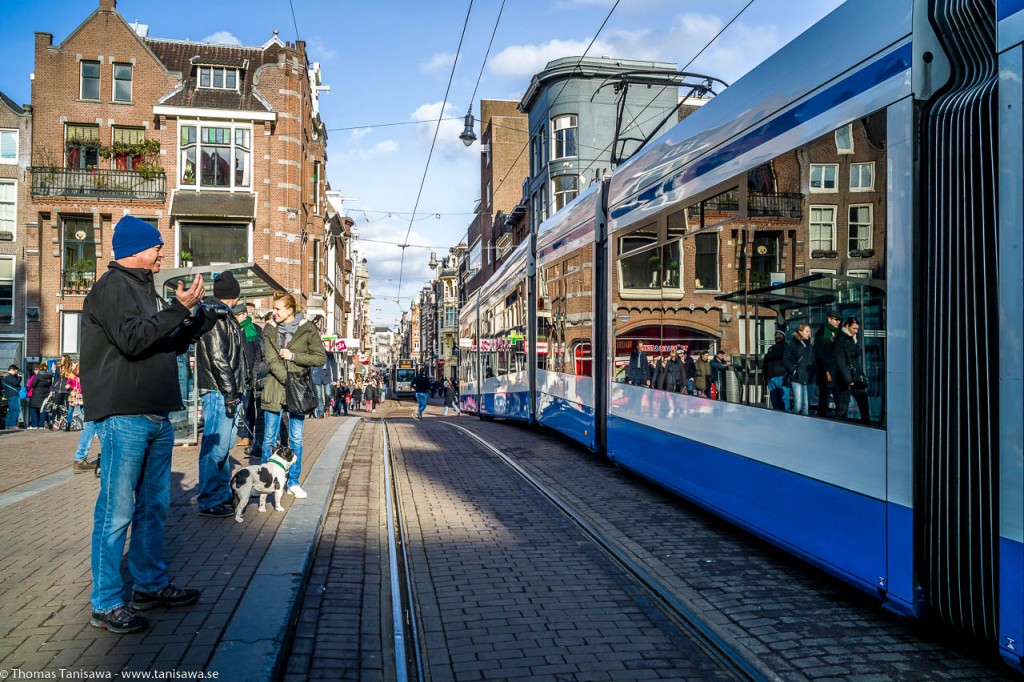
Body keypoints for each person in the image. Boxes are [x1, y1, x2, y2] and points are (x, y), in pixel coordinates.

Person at [81, 214, 211, 635]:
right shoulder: (112, 288)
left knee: (153, 506)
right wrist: (178, 308)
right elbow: (134, 339)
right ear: (136, 249)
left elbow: (162, 343)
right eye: (156, 245)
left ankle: (150, 585)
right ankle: (105, 601)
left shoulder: (146, 289)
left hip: (155, 413)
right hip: (125, 414)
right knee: (116, 511)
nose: (162, 252)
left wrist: (195, 322)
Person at [259, 291, 327, 500]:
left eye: (278, 309)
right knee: (269, 437)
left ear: (290, 310)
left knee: (296, 437)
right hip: (276, 389)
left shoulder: (308, 329)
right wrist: (287, 378)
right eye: (274, 308)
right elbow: (270, 359)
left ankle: (293, 481)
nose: (274, 312)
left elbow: (320, 358)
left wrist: (294, 356)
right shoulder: (269, 330)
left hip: (298, 391)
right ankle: (265, 481)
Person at [194, 272, 249, 518]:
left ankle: (221, 493)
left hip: (225, 390)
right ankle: (209, 499)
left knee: (224, 446)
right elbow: (218, 358)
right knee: (215, 447)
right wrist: (230, 391)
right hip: (219, 391)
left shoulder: (223, 316)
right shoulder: (216, 317)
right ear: (234, 295)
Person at [833, 317, 871, 424]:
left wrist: (860, 375)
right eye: (854, 328)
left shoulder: (855, 338)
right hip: (845, 379)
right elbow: (840, 361)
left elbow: (856, 360)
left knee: (863, 403)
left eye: (857, 329)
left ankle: (866, 426)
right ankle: (837, 430)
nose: (856, 331)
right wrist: (849, 380)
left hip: (856, 376)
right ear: (847, 326)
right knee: (842, 408)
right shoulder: (840, 340)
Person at [234, 301, 262, 449]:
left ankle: (248, 436)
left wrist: (253, 373)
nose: (235, 317)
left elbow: (256, 353)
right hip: (238, 374)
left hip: (249, 374)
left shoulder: (252, 329)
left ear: (245, 314)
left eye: (237, 315)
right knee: (243, 405)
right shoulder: (235, 330)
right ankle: (247, 435)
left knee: (248, 406)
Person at [784, 324, 815, 416]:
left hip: (808, 377)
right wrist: (793, 371)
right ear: (800, 332)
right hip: (797, 377)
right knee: (798, 406)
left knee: (806, 406)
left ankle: (804, 427)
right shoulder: (794, 344)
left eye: (809, 331)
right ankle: (790, 419)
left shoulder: (810, 344)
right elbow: (786, 359)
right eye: (807, 331)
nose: (809, 333)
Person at [814, 311, 841, 417]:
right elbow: (820, 355)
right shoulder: (821, 334)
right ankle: (822, 420)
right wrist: (826, 371)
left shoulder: (838, 333)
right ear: (829, 319)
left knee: (839, 398)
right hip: (827, 372)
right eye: (836, 319)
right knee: (824, 399)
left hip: (837, 371)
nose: (838, 322)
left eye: (839, 320)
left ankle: (840, 420)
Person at [763, 330, 790, 411]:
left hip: (782, 377)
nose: (778, 337)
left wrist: (788, 375)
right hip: (771, 378)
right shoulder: (770, 349)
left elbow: (790, 362)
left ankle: (787, 418)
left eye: (780, 336)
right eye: (776, 336)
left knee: (784, 400)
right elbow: (765, 363)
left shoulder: (787, 347)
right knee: (775, 401)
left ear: (783, 337)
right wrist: (765, 376)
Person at [27, 363, 54, 429]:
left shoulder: (38, 376)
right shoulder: (49, 377)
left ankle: (35, 425)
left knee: (33, 410)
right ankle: (41, 425)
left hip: (36, 395)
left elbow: (32, 385)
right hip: (45, 395)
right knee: (43, 410)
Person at [2, 364, 22, 430]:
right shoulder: (10, 377)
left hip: (11, 395)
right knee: (16, 410)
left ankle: (8, 425)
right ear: (11, 370)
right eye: (15, 371)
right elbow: (16, 382)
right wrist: (20, 376)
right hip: (13, 395)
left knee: (11, 410)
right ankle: (12, 425)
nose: (16, 373)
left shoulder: (7, 377)